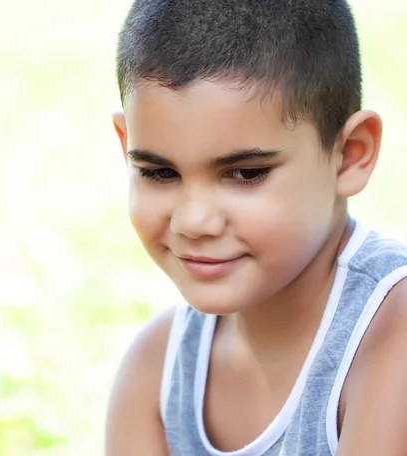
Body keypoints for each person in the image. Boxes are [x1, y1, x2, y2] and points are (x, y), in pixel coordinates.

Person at [105, 1, 407, 455]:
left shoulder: (391, 340)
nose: (194, 221)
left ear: (350, 155)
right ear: (127, 146)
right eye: (159, 172)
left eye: (246, 173)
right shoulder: (156, 370)